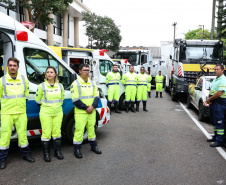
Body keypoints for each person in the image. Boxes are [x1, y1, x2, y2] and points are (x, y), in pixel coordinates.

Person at [0, 57, 35, 169]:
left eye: (14, 65)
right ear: (7, 67)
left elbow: (25, 94)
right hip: (7, 113)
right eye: (10, 65)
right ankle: (2, 159)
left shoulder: (23, 79)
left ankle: (26, 155)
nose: (12, 67)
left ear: (18, 67)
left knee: (23, 134)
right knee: (5, 136)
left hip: (21, 112)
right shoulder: (2, 80)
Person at [71, 64, 101, 159]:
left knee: (91, 130)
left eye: (88, 70)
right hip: (81, 112)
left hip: (91, 111)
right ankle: (77, 149)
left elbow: (97, 96)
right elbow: (75, 100)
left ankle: (93, 146)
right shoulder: (75, 84)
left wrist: (92, 107)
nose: (87, 72)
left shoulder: (92, 83)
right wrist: (86, 108)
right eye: (84, 70)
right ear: (79, 71)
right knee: (79, 131)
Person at [35, 66, 64, 162]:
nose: (49, 74)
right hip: (45, 113)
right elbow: (37, 100)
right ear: (45, 74)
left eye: (51, 72)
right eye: (47, 72)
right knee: (46, 133)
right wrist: (47, 107)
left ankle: (57, 151)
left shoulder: (60, 86)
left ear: (55, 74)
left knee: (57, 133)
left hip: (58, 113)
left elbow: (62, 99)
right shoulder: (41, 86)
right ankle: (46, 154)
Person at [206, 64, 226, 147]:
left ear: (222, 70)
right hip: (214, 103)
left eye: (218, 69)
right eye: (215, 69)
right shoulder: (216, 79)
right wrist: (209, 98)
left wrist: (209, 99)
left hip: (219, 103)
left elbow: (219, 93)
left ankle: (219, 141)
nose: (216, 71)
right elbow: (212, 90)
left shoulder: (223, 79)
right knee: (214, 121)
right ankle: (215, 136)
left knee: (219, 122)